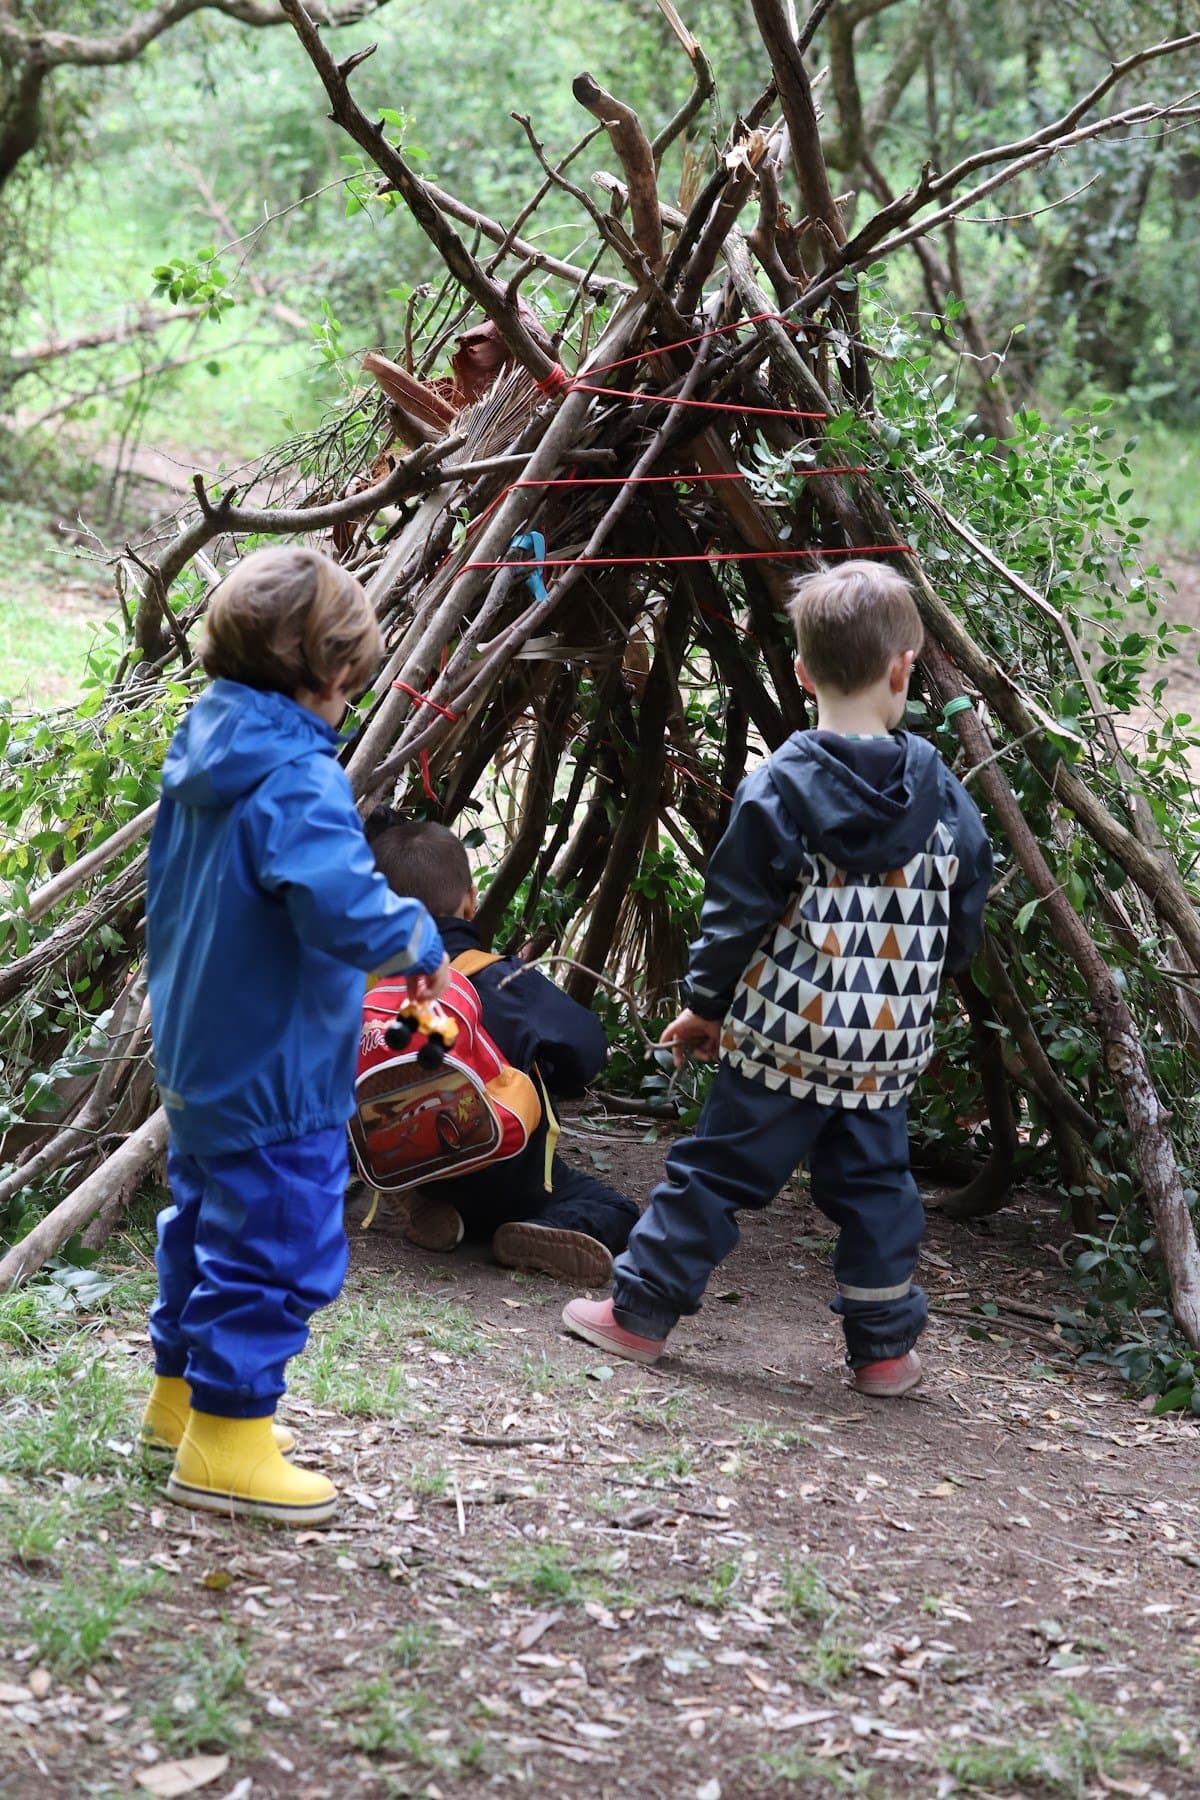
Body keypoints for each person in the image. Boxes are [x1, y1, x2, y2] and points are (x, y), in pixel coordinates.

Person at [563, 560, 993, 1396]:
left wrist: (705, 1006)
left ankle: (639, 1314)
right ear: (903, 669)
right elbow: (964, 911)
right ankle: (884, 1353)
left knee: (714, 1173)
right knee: (877, 1191)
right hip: (883, 1047)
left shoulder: (779, 789)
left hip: (783, 1038)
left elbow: (736, 915)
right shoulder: (945, 796)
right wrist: (916, 989)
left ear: (799, 672)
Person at [140, 546, 450, 1525]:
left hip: (201, 1049)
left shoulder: (209, 747)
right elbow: (339, 902)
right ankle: (227, 1443)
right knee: (277, 1241)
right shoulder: (296, 780)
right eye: (351, 677)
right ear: (332, 670)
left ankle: (179, 1407)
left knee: (202, 1227)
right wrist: (414, 937)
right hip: (277, 1062)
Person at [363, 814, 638, 1283]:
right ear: (470, 902)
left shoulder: (367, 993)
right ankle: (544, 1226)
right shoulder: (506, 982)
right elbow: (589, 1052)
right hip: (506, 1173)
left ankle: (427, 1206)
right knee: (619, 1210)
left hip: (400, 1164)